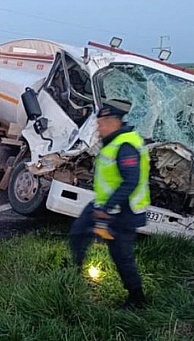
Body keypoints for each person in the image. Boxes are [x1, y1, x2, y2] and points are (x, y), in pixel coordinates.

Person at [69, 104, 150, 309]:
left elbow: (130, 181)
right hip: (105, 204)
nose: (98, 128)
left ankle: (137, 298)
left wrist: (107, 209)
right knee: (78, 232)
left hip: (124, 211)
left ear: (113, 122)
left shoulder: (125, 145)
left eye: (101, 124)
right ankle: (72, 272)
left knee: (121, 256)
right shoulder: (114, 141)